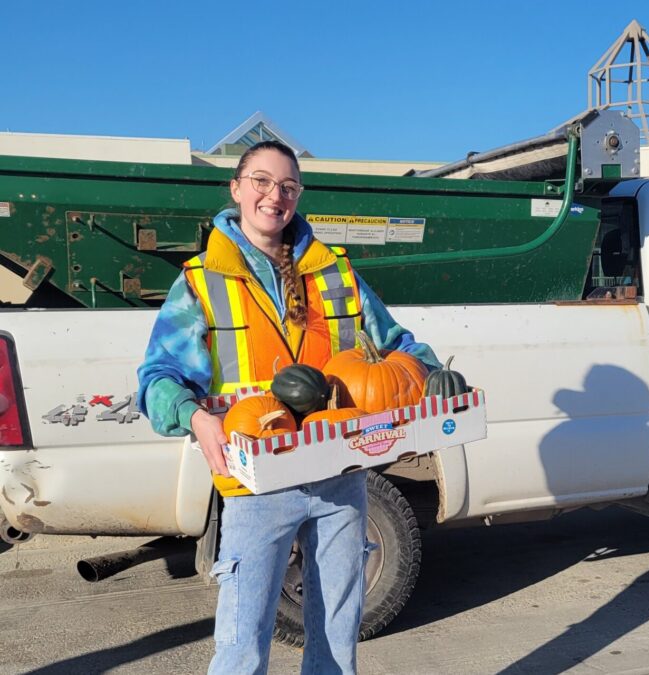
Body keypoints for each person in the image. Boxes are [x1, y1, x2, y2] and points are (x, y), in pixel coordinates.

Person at [137, 140, 439, 674]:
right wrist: (195, 417)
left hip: (340, 478)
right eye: (261, 181)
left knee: (335, 638)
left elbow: (396, 344)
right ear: (235, 188)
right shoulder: (201, 281)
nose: (274, 196)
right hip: (256, 485)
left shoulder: (336, 273)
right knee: (242, 642)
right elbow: (159, 378)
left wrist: (435, 378)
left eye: (288, 186)